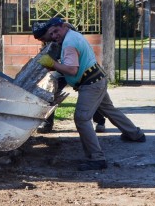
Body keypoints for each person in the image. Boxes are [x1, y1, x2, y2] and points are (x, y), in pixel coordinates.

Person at [36, 17, 146, 171]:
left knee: (81, 118)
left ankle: (97, 158)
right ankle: (135, 134)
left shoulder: (69, 44)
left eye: (56, 31)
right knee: (109, 109)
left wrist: (52, 64)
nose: (54, 36)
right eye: (51, 34)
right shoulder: (72, 34)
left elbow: (72, 70)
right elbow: (73, 64)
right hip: (97, 78)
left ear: (62, 26)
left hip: (91, 84)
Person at [32, 19, 108, 134]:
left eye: (43, 38)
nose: (42, 41)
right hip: (62, 66)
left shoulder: (64, 33)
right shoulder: (49, 38)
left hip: (78, 67)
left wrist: (53, 63)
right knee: (50, 88)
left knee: (93, 92)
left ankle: (99, 121)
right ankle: (47, 122)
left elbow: (70, 55)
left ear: (48, 31)